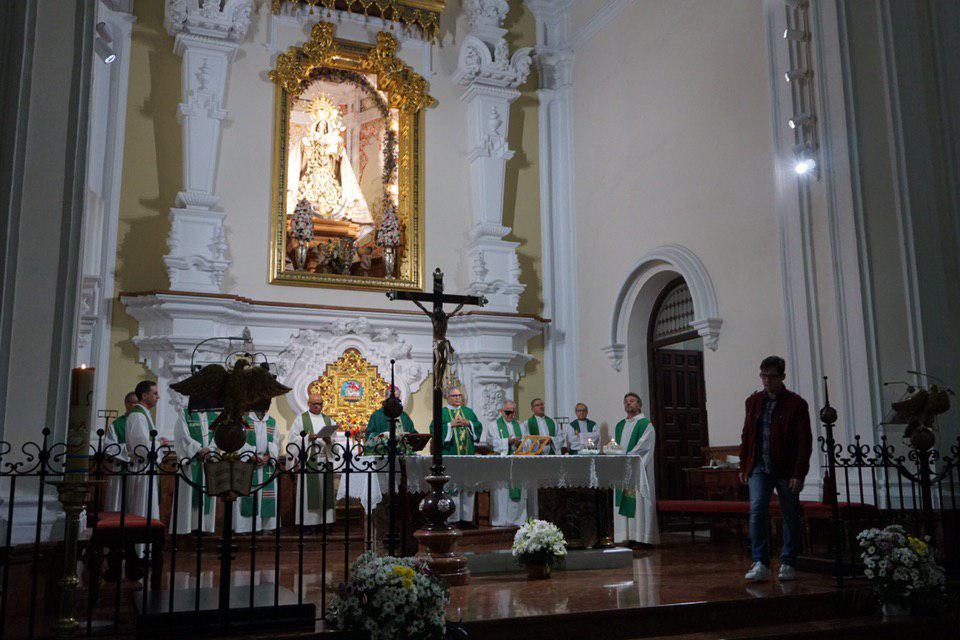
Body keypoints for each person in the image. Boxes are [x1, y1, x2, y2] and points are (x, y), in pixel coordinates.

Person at [739, 356, 812, 582]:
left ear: (782, 377)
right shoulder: (753, 402)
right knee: (757, 509)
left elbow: (804, 441)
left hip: (786, 468)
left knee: (790, 512)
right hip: (759, 466)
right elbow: (747, 435)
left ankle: (788, 561)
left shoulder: (796, 403)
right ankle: (761, 561)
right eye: (763, 376)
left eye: (771, 376)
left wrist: (798, 474)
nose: (767, 381)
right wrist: (744, 465)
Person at [612, 393, 659, 545]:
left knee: (638, 502)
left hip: (638, 470)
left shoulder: (645, 424)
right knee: (624, 500)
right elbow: (614, 445)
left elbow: (644, 446)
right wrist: (611, 450)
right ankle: (625, 536)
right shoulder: (620, 425)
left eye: (631, 401)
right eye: (625, 401)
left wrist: (627, 459)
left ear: (639, 405)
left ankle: (642, 538)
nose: (628, 404)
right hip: (622, 470)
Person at [431, 387, 482, 525]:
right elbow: (434, 429)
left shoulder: (468, 412)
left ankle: (466, 519)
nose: (458, 398)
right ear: (447, 397)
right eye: (454, 396)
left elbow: (478, 426)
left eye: (459, 395)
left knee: (468, 487)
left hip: (467, 457)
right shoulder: (442, 413)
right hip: (450, 457)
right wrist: (449, 425)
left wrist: (469, 423)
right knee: (452, 488)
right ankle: (452, 519)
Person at [285, 393, 338, 527]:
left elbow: (335, 444)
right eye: (315, 404)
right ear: (309, 404)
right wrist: (307, 438)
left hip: (325, 460)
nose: (318, 406)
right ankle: (309, 524)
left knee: (325, 492)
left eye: (320, 403)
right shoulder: (300, 420)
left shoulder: (329, 421)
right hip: (309, 460)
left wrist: (329, 441)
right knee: (309, 494)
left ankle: (326, 522)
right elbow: (292, 441)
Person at [480, 400, 532, 526]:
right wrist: (506, 442)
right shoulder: (493, 425)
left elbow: (529, 441)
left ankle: (519, 520)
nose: (511, 415)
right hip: (501, 464)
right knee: (502, 492)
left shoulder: (520, 425)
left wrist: (521, 443)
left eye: (513, 412)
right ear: (501, 411)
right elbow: (490, 442)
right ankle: (501, 520)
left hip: (518, 462)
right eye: (508, 412)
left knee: (519, 490)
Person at [170, 405, 217, 534]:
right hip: (192, 462)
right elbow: (182, 435)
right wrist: (198, 449)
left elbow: (217, 436)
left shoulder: (214, 416)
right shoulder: (184, 413)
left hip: (207, 461)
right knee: (189, 494)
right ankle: (186, 528)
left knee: (205, 493)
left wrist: (210, 449)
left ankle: (204, 527)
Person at [235, 399, 280, 533]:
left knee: (266, 496)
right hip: (249, 463)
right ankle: (245, 527)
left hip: (265, 464)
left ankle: (266, 526)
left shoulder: (272, 421)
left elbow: (276, 442)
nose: (263, 410)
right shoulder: (243, 420)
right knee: (248, 494)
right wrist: (250, 455)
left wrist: (270, 456)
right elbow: (238, 441)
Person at [102, 391, 137, 512]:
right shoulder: (117, 424)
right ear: (125, 403)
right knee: (118, 501)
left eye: (136, 403)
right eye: (130, 402)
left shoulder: (141, 422)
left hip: (138, 467)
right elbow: (109, 446)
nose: (133, 405)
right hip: (120, 465)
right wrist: (127, 450)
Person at [364, 386, 416, 453]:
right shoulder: (377, 415)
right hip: (383, 454)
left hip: (403, 453)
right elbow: (369, 435)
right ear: (386, 398)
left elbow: (413, 433)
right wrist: (384, 436)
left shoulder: (404, 416)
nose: (395, 401)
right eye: (393, 398)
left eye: (397, 398)